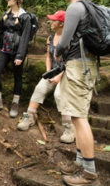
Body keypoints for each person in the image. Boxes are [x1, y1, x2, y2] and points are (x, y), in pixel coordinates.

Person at [55, 0, 100, 186]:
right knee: (75, 115)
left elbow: (64, 42)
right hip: (87, 66)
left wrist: (56, 53)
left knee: (80, 118)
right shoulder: (90, 7)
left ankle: (89, 171)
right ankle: (81, 162)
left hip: (76, 68)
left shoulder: (74, 8)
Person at [17, 10, 74, 143]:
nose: (51, 22)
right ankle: (29, 117)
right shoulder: (51, 37)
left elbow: (71, 62)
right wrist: (49, 72)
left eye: (53, 20)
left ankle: (69, 127)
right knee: (39, 89)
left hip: (67, 73)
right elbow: (48, 56)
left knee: (59, 95)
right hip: (54, 72)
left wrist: (59, 77)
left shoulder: (70, 39)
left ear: (61, 24)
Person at [0, 0, 31, 117]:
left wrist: (20, 56)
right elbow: (0, 32)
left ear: (17, 0)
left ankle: (15, 103)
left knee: (17, 76)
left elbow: (25, 37)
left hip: (17, 52)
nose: (7, 0)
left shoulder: (25, 17)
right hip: (5, 49)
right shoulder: (6, 15)